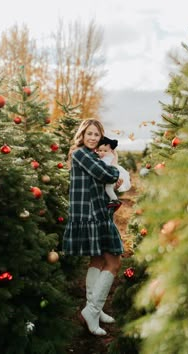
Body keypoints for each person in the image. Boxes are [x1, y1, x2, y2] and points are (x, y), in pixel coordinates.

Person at [62, 118, 124, 336]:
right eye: (89, 133)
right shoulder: (81, 154)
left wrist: (112, 178)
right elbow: (107, 173)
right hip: (90, 215)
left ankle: (94, 311)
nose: (92, 138)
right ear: (82, 134)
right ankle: (92, 310)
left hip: (97, 212)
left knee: (98, 259)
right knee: (114, 261)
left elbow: (104, 178)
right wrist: (114, 166)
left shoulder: (91, 155)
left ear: (100, 138)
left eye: (96, 135)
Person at [97, 136, 131, 209]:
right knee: (108, 189)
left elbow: (112, 168)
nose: (102, 152)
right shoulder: (102, 158)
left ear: (111, 151)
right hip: (111, 175)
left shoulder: (108, 158)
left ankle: (115, 200)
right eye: (100, 150)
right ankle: (112, 200)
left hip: (113, 175)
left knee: (108, 188)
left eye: (105, 151)